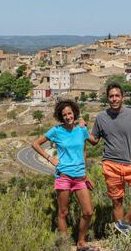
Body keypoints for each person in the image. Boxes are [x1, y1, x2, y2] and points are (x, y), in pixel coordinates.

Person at [88, 82, 131, 234]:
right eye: (111, 96)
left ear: (122, 97)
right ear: (107, 98)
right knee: (117, 203)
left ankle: (126, 221)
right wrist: (84, 132)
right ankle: (120, 239)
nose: (114, 99)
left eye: (117, 96)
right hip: (111, 165)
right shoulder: (101, 118)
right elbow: (94, 141)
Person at [32, 99, 98, 251]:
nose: (68, 116)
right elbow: (35, 144)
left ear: (74, 112)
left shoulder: (81, 129)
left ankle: (81, 243)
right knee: (63, 212)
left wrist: (85, 174)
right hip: (64, 176)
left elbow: (84, 151)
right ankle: (65, 246)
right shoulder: (56, 130)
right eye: (64, 115)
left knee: (88, 212)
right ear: (61, 116)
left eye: (70, 113)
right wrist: (49, 158)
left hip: (80, 177)